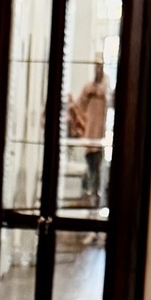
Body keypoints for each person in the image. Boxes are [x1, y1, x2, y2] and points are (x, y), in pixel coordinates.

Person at [68, 60, 110, 207]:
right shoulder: (88, 88)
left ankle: (95, 193)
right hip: (90, 134)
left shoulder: (104, 89)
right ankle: (89, 191)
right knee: (91, 164)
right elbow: (80, 104)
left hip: (99, 136)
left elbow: (106, 94)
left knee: (96, 166)